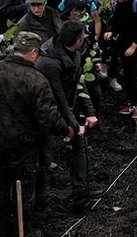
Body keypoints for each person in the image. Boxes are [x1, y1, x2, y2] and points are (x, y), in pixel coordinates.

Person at [0, 31, 67, 237]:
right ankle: (24, 232)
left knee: (0, 188)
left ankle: (1, 231)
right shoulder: (36, 80)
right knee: (24, 188)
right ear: (33, 52)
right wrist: (66, 129)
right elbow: (48, 118)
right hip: (25, 145)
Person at [35, 21, 100, 214]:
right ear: (77, 40)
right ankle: (39, 202)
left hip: (65, 109)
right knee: (43, 157)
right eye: (83, 38)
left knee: (78, 146)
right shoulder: (49, 64)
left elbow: (79, 84)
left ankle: (81, 194)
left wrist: (89, 111)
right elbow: (58, 96)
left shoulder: (75, 55)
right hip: (46, 113)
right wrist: (72, 124)